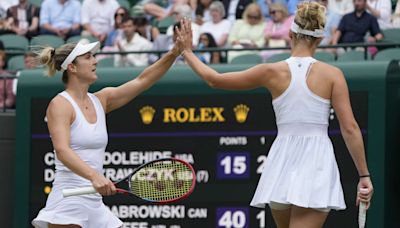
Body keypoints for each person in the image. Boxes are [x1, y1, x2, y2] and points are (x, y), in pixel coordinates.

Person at [176, 1, 373, 226]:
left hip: (281, 161)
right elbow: (349, 128)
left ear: (290, 33)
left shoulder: (270, 71)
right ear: (320, 39)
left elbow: (214, 80)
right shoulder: (333, 74)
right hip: (315, 160)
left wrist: (187, 52)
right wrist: (364, 175)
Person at [31, 32, 182, 227]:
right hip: (68, 201)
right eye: (88, 57)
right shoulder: (60, 104)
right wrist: (95, 176)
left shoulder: (101, 100)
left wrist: (174, 52)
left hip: (94, 202)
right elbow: (62, 150)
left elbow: (142, 81)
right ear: (72, 67)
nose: (95, 61)